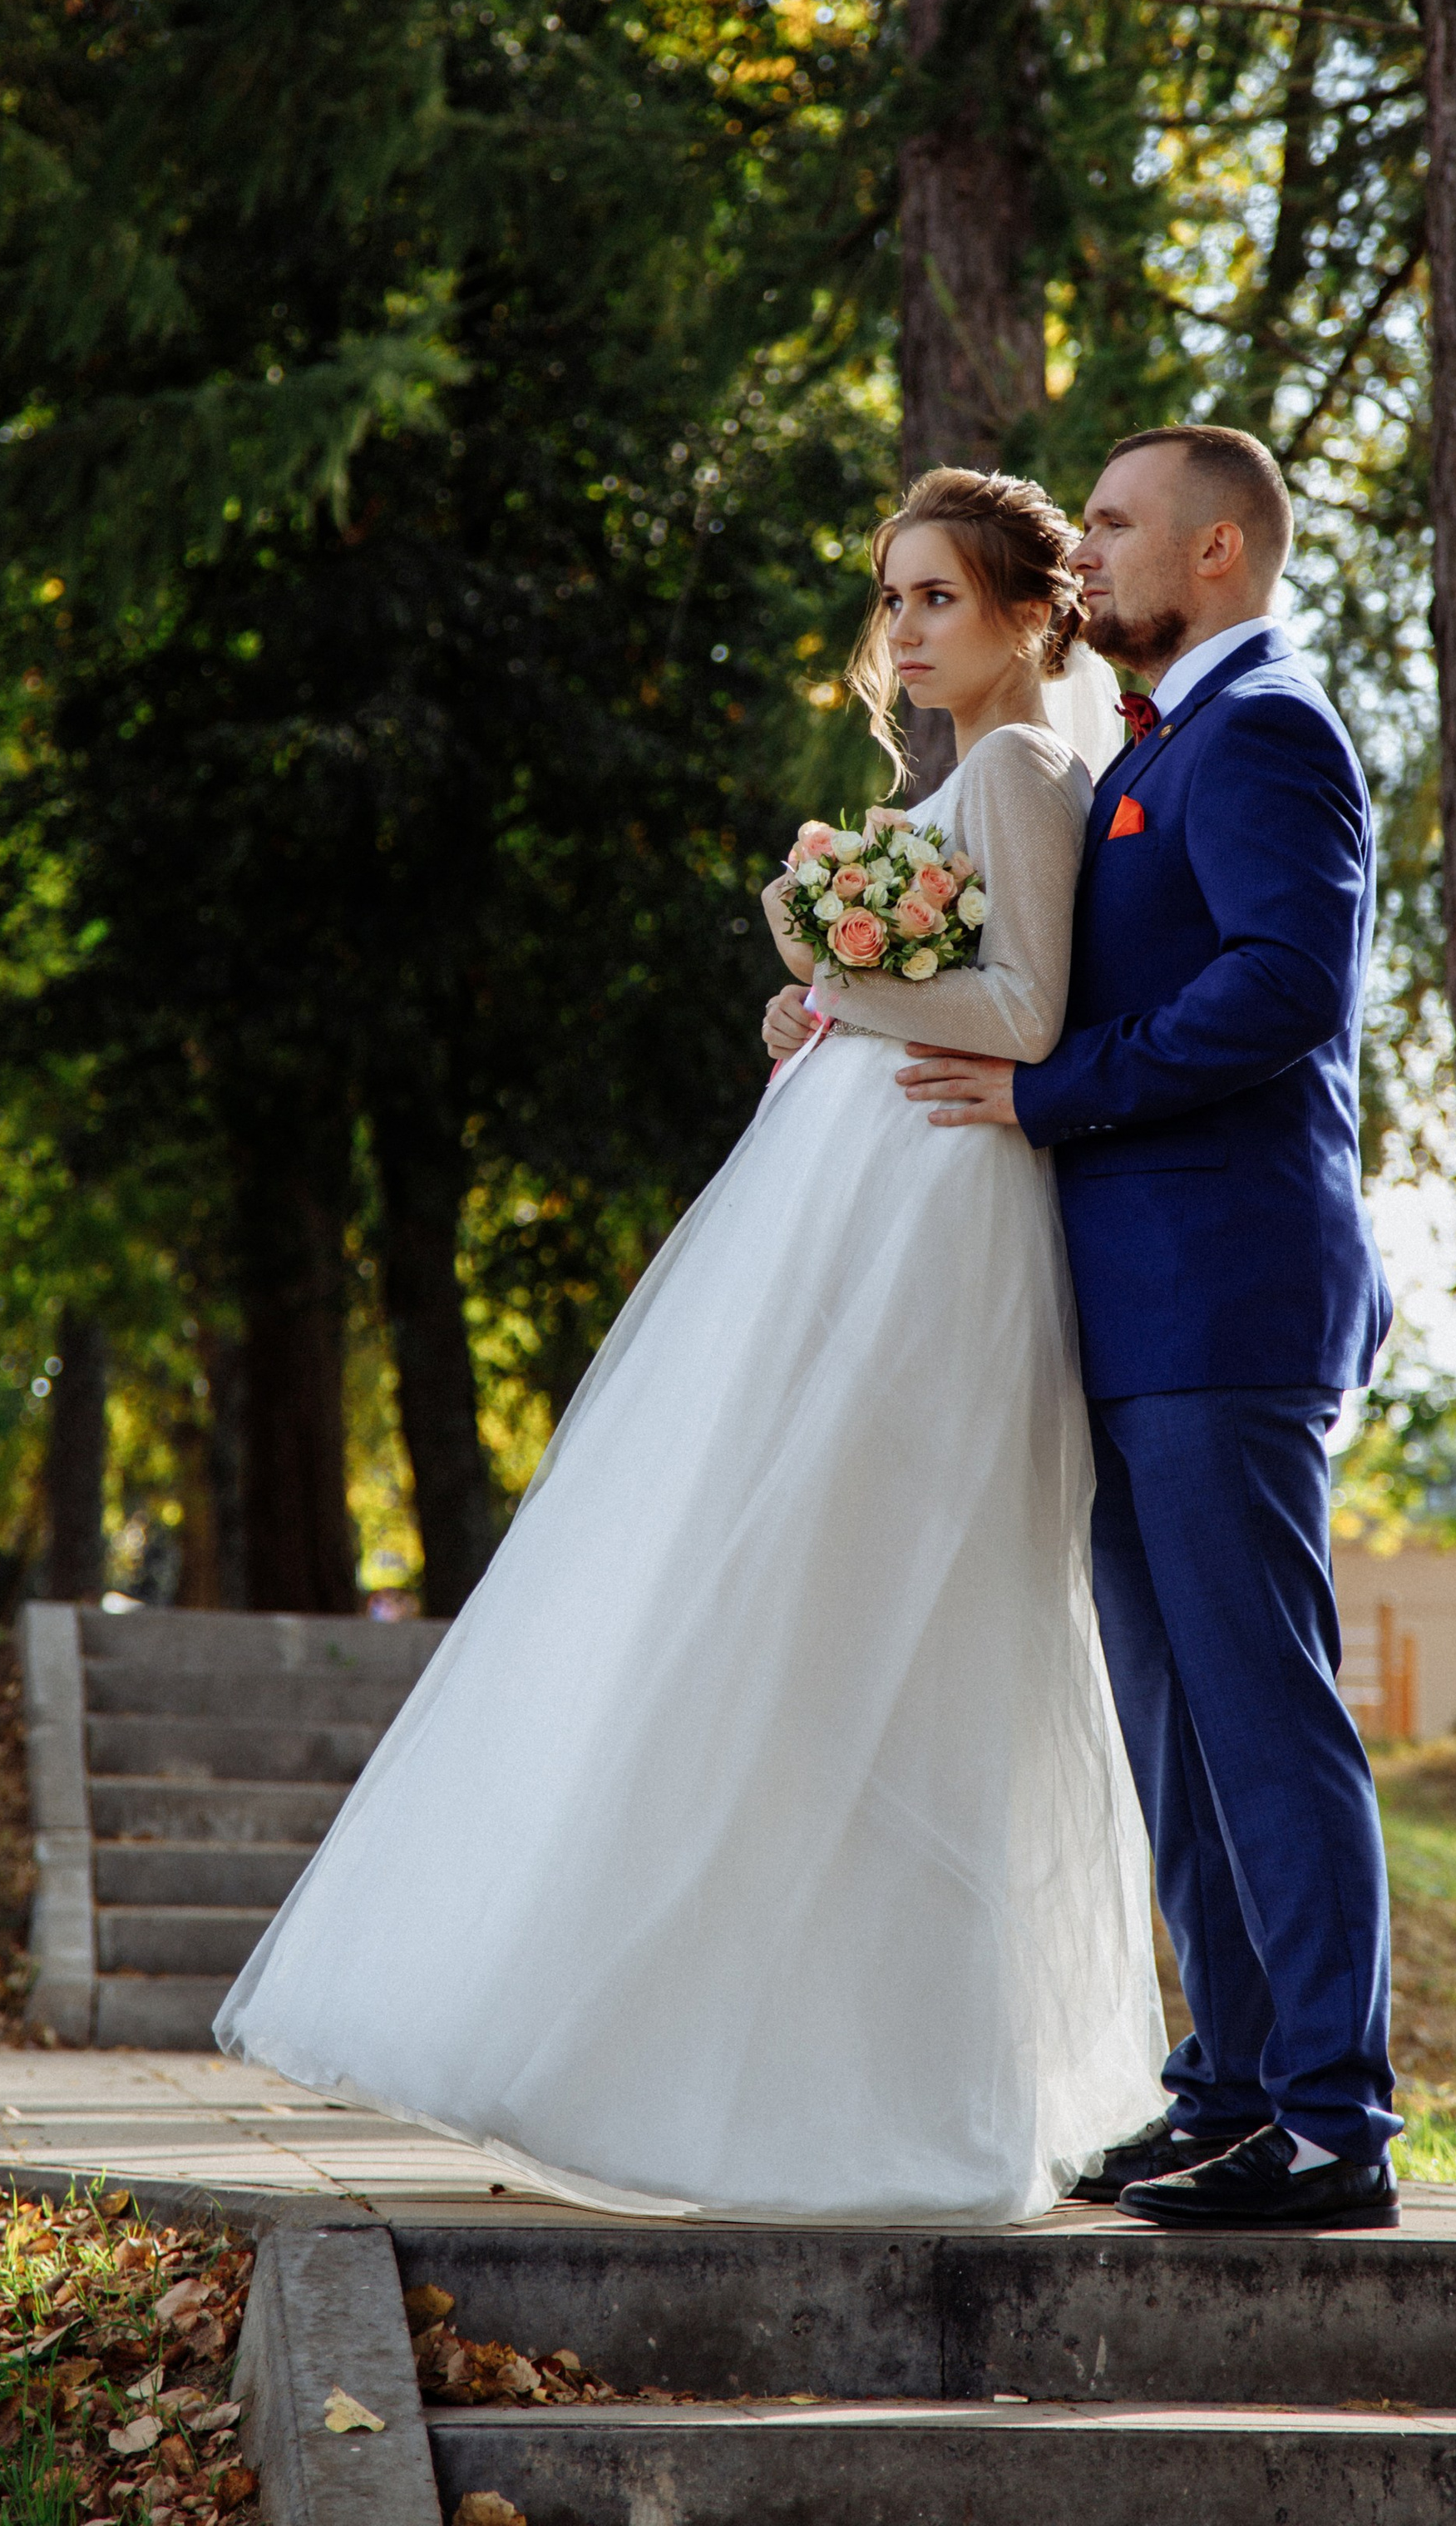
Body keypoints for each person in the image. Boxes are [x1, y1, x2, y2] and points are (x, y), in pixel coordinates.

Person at [215, 466, 1164, 2222]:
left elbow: (1026, 1013)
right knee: (786, 1603)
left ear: (1030, 612)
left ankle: (904, 2093)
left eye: (938, 597)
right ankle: (746, 2065)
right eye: (892, 598)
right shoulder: (963, 777)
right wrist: (822, 999)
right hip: (871, 1192)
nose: (904, 629)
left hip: (941, 1217)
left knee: (885, 1610)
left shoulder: (1028, 770)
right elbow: (948, 989)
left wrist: (828, 962)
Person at [890, 426, 1400, 2232]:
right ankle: (1230, 2088)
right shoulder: (1154, 746)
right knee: (1175, 1727)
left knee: (1261, 1711)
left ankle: (1332, 2122)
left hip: (1224, 1295)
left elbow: (1285, 983)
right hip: (1125, 1307)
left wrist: (1055, 1094)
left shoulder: (1266, 729)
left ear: (1219, 550)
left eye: (1115, 523)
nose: (1087, 550)